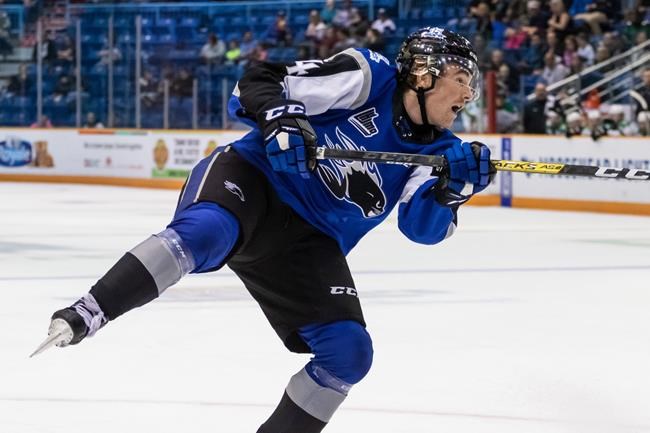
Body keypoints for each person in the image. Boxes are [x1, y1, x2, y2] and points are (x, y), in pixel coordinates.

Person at [34, 27, 495, 433]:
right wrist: (279, 117)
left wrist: (453, 189)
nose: (469, 93)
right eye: (461, 78)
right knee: (203, 233)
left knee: (349, 354)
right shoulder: (369, 76)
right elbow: (257, 81)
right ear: (424, 72)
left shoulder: (444, 152)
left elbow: (421, 229)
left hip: (308, 243)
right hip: (254, 180)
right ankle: (89, 311)